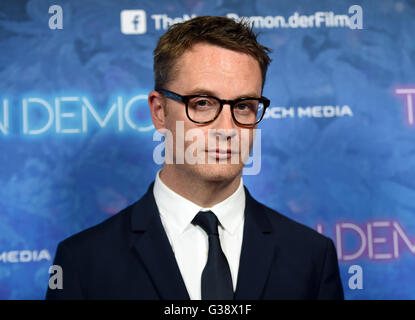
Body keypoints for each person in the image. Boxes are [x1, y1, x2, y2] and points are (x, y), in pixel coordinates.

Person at [46, 16, 344, 300]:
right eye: (202, 103)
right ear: (159, 111)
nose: (227, 129)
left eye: (243, 106)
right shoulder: (82, 263)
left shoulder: (311, 257)